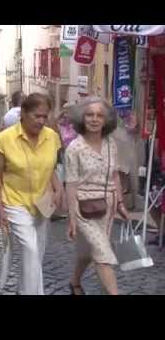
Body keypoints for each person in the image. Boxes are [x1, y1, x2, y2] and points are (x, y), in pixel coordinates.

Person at [0, 92, 63, 295]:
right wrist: (0, 210)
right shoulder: (4, 139)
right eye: (36, 116)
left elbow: (51, 169)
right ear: (23, 113)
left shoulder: (52, 137)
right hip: (14, 201)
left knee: (35, 256)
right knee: (30, 250)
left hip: (43, 202)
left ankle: (23, 291)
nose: (41, 121)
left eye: (45, 116)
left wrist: (58, 189)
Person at [65, 98, 130, 295]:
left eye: (99, 115)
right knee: (102, 253)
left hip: (107, 206)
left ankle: (74, 281)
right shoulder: (74, 149)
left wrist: (120, 202)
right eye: (90, 114)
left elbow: (115, 175)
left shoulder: (111, 144)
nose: (94, 119)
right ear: (81, 118)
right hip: (83, 207)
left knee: (88, 251)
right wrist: (72, 219)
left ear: (106, 120)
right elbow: (71, 184)